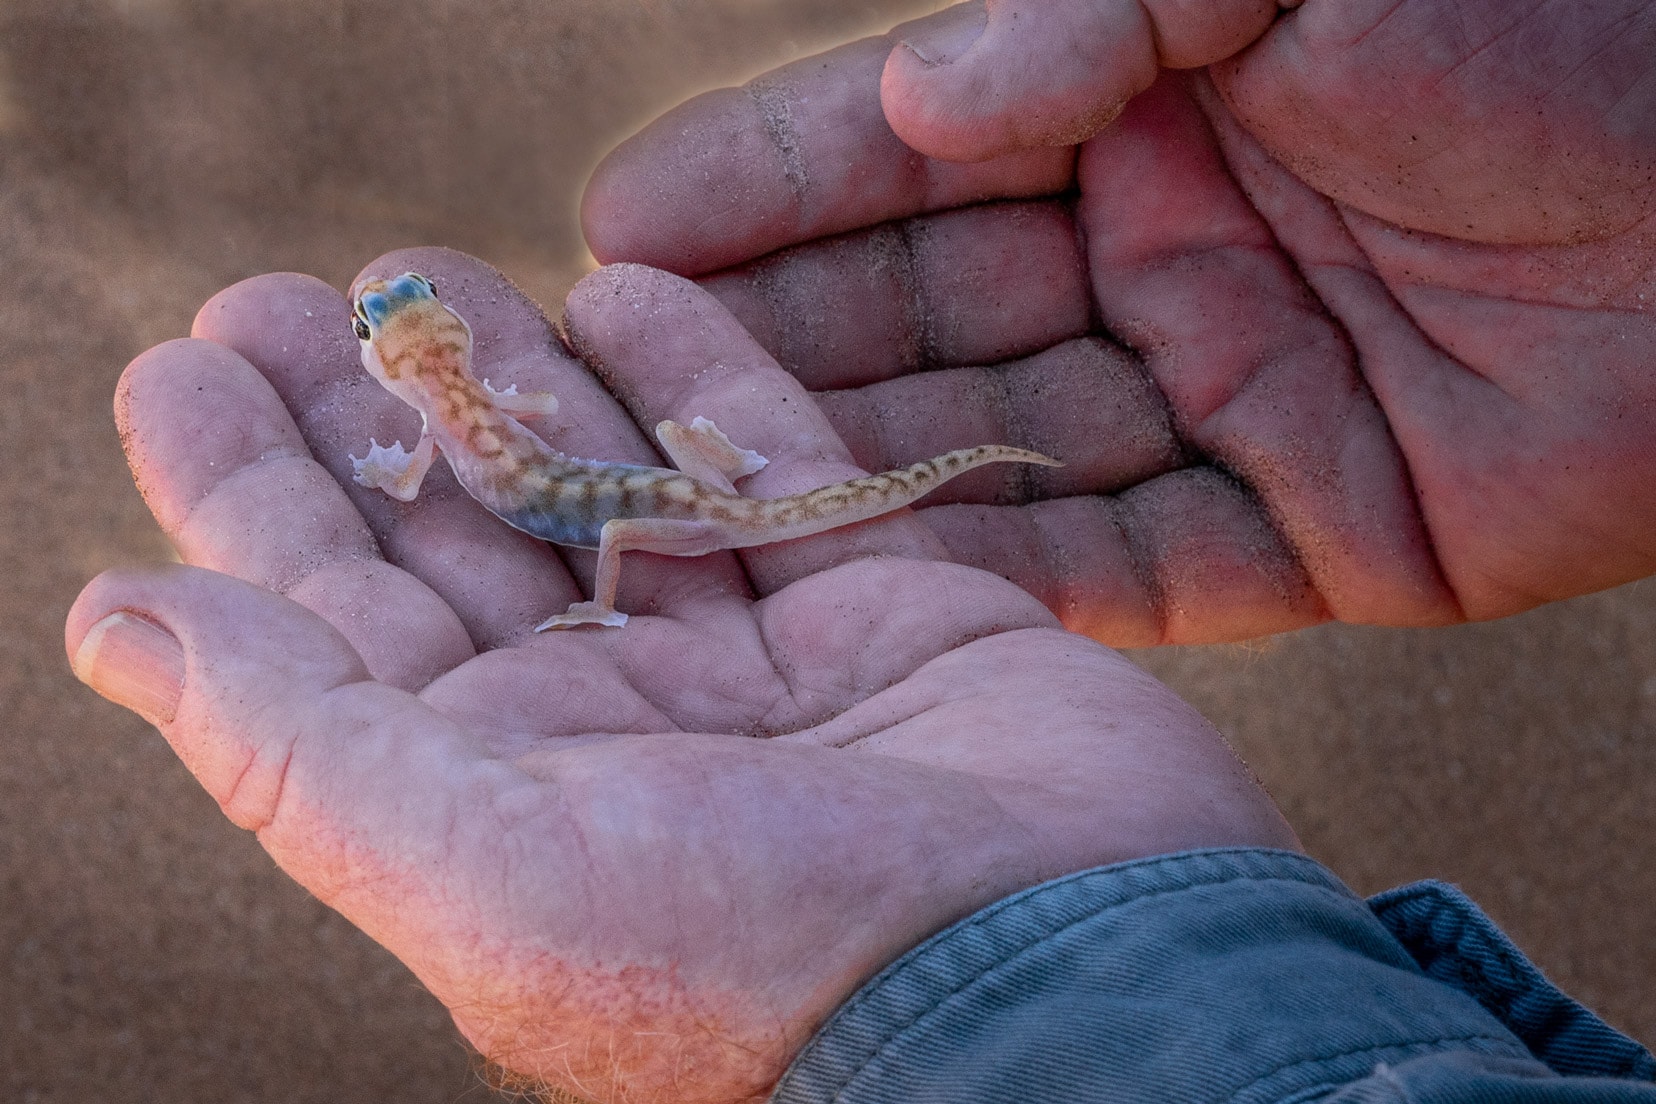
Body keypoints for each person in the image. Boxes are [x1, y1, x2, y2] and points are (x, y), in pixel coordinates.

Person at [67, 2, 1656, 1101]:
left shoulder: (433, 426)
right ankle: (739, 485)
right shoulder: (468, 402)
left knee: (619, 536)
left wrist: (581, 604)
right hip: (633, 487)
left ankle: (715, 525)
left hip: (616, 521)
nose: (390, 335)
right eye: (384, 328)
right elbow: (453, 455)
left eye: (380, 328)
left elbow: (426, 473)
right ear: (414, 353)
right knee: (658, 493)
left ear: (390, 360)